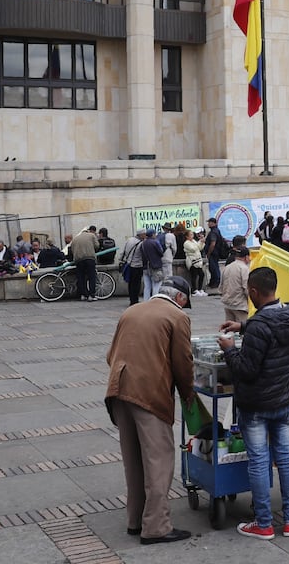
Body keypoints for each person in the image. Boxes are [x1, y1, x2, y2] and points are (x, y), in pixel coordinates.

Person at [219, 267, 289, 539]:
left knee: (258, 462)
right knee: (285, 459)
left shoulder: (259, 325)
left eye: (250, 292)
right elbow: (272, 327)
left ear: (255, 292)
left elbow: (246, 369)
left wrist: (230, 350)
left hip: (256, 406)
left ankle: (264, 523)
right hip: (284, 401)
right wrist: (243, 325)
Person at [105, 276, 196, 545]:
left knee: (133, 460)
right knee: (158, 460)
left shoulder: (131, 310)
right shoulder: (176, 317)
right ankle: (156, 526)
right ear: (180, 298)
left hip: (119, 388)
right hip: (148, 393)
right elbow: (183, 362)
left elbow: (111, 355)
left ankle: (135, 520)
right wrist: (188, 393)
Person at [220, 247, 251, 324]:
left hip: (228, 304)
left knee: (229, 330)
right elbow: (246, 288)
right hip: (240, 305)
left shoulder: (227, 267)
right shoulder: (244, 269)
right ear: (246, 257)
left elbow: (221, 287)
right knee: (242, 330)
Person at [69, 226, 100, 302]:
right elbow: (97, 246)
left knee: (81, 277)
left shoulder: (75, 239)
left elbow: (71, 249)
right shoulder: (91, 235)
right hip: (89, 258)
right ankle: (91, 295)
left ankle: (83, 295)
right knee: (91, 276)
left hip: (78, 260)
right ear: (88, 231)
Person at [121, 228, 146, 306]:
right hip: (137, 265)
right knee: (136, 284)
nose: (145, 236)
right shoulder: (141, 243)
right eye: (144, 234)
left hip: (129, 264)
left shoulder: (130, 240)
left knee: (130, 283)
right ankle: (135, 300)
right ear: (141, 234)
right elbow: (143, 254)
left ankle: (132, 299)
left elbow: (124, 251)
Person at [139, 230, 165, 301]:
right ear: (153, 234)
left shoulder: (143, 244)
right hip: (155, 266)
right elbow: (161, 253)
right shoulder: (155, 242)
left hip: (145, 267)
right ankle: (154, 301)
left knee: (147, 286)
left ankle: (146, 301)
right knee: (156, 285)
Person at [202, 218, 226, 290]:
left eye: (210, 222)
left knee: (213, 268)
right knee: (214, 267)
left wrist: (209, 253)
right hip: (216, 252)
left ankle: (215, 282)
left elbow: (213, 243)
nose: (208, 224)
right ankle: (215, 282)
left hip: (213, 253)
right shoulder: (216, 231)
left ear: (214, 223)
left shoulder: (213, 232)